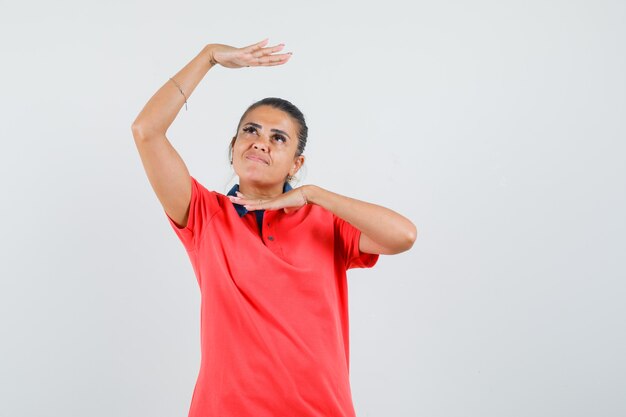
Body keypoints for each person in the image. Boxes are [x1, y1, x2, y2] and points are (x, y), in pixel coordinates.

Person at [131, 38, 417, 417]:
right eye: (250, 131)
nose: (260, 143)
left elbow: (404, 235)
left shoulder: (325, 222)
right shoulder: (204, 214)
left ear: (296, 164)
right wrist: (209, 57)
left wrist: (313, 195)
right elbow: (146, 130)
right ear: (233, 146)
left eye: (277, 138)